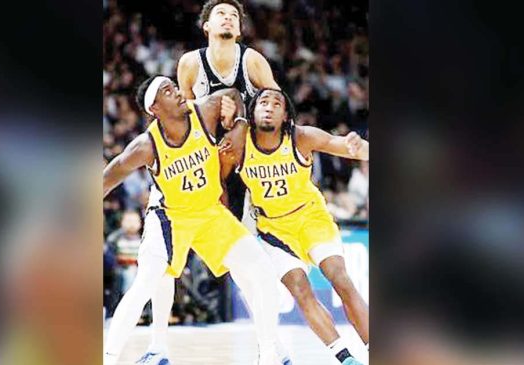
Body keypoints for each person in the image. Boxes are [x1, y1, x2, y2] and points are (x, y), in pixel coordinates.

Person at [138, 1, 286, 364]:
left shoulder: (251, 61)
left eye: (234, 15)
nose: (227, 17)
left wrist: (241, 125)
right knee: (163, 257)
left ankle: (271, 347)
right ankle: (158, 345)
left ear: (240, 28)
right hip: (201, 169)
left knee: (252, 264)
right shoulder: (190, 64)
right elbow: (182, 119)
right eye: (220, 13)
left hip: (245, 166)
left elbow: (279, 102)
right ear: (205, 26)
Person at [103, 75, 282, 365]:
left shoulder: (204, 110)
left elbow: (233, 93)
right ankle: (111, 358)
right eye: (167, 91)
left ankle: (270, 354)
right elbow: (108, 177)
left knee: (260, 268)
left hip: (209, 212)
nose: (176, 91)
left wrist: (239, 126)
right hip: (170, 215)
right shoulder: (146, 145)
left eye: (174, 86)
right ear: (154, 109)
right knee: (149, 279)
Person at [221, 88, 370, 365]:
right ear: (251, 113)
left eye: (276, 103)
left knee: (340, 278)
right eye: (262, 102)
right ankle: (345, 358)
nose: (269, 107)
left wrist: (358, 147)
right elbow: (218, 183)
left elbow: (346, 147)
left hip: (311, 217)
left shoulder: (302, 137)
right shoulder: (239, 145)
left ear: (286, 115)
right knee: (300, 289)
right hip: (273, 228)